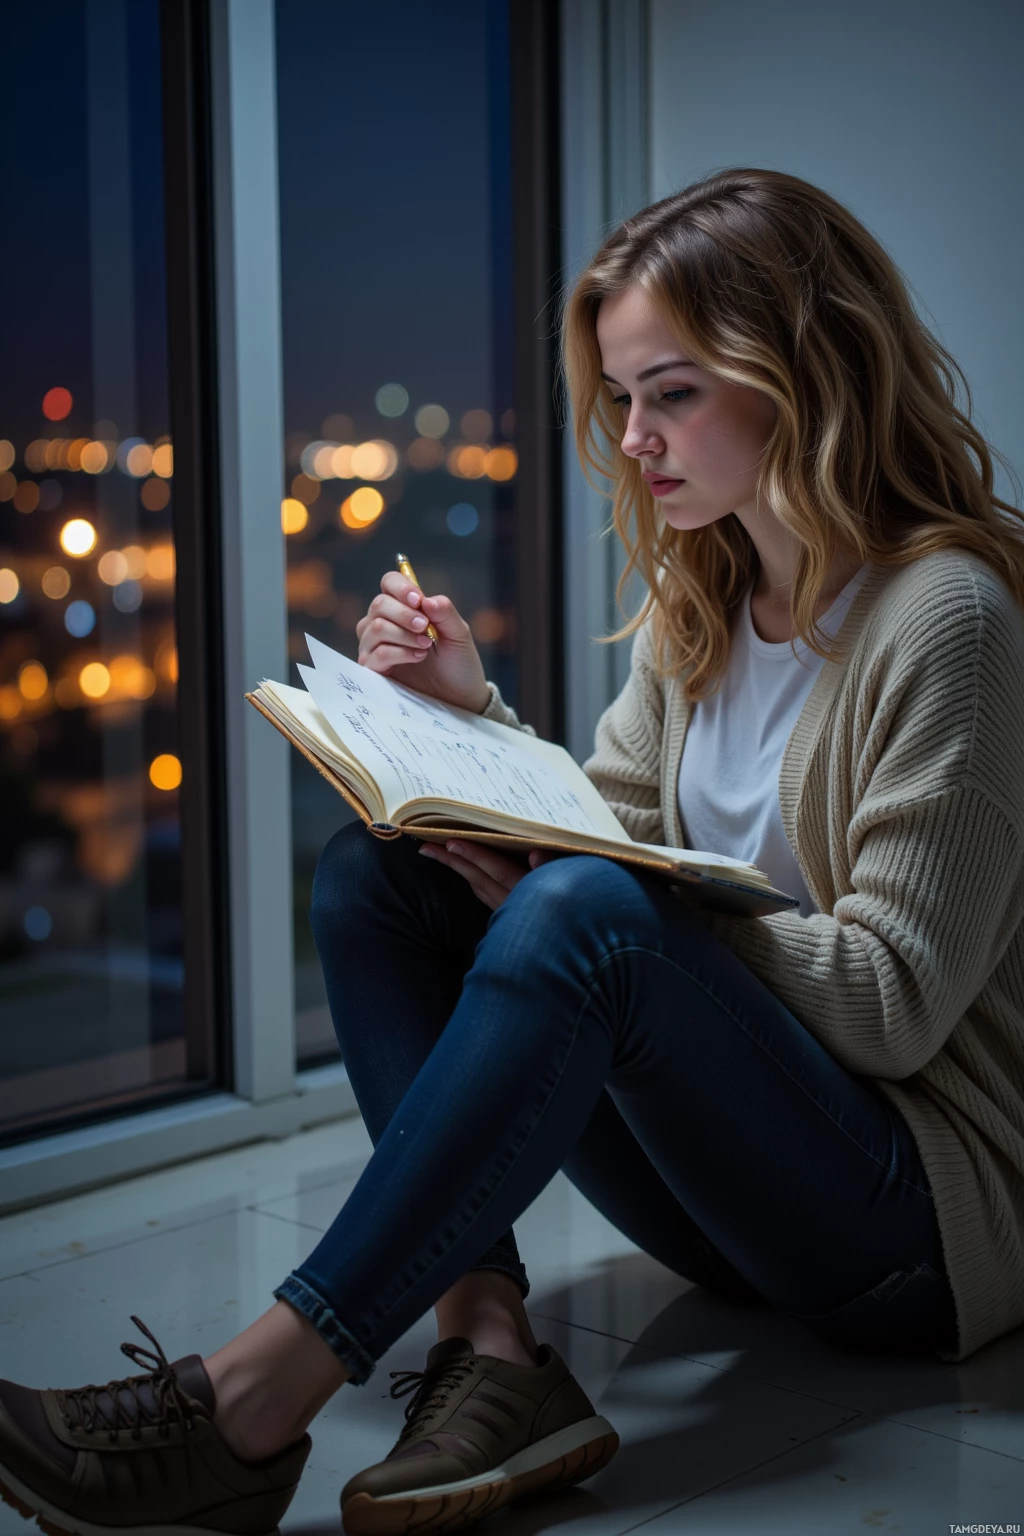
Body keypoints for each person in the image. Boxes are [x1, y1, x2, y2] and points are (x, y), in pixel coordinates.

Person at [3, 165, 1024, 1536]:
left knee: (587, 918)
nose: (635, 438)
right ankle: (488, 1343)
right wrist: (466, 724)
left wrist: (604, 897)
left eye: (673, 392)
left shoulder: (948, 619)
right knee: (384, 875)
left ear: (798, 373)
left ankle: (249, 1402)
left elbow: (892, 1014)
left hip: (912, 1236)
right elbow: (604, 843)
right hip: (730, 1212)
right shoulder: (707, 601)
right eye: (620, 397)